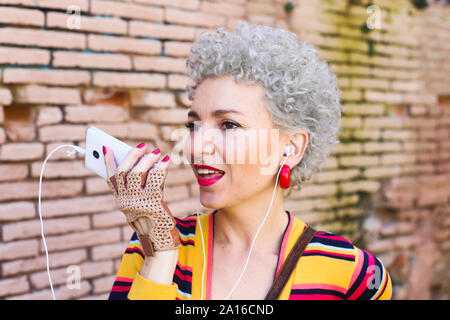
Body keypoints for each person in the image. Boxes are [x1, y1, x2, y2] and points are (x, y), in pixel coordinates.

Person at [105, 21, 392, 300]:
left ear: (291, 147)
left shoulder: (352, 276)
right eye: (193, 125)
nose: (196, 146)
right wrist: (162, 256)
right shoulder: (152, 245)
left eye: (228, 124)